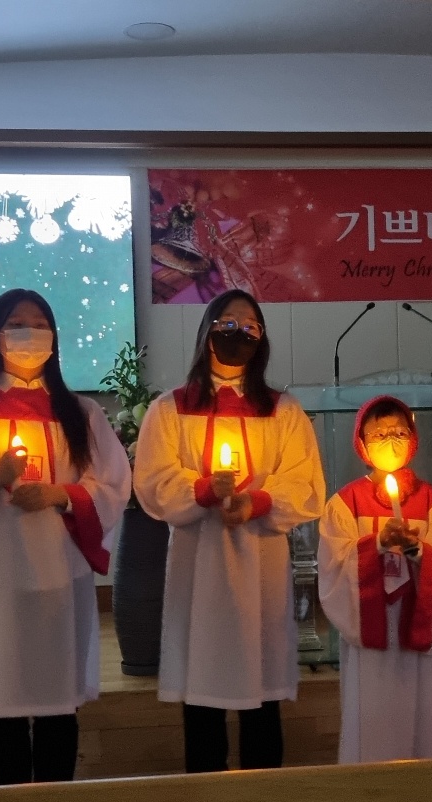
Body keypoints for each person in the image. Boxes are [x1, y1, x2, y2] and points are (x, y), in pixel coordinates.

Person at [0, 288, 130, 785]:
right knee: (2, 705)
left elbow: (113, 483)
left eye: (39, 324)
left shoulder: (79, 413)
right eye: (17, 324)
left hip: (59, 575)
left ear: (54, 338)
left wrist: (61, 494)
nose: (29, 333)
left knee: (59, 704)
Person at [132, 289, 326, 773]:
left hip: (260, 565)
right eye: (228, 322)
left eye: (250, 325)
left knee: (262, 694)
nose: (239, 332)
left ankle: (263, 794)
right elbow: (153, 481)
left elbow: (305, 482)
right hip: (199, 566)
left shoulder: (283, 411)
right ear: (207, 331)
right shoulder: (170, 409)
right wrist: (202, 491)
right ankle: (205, 798)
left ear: (262, 340)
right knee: (202, 694)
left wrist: (257, 501)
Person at [317, 396, 432, 763]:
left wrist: (416, 551)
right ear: (362, 443)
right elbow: (333, 565)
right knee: (369, 717)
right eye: (379, 434)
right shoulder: (345, 504)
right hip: (369, 628)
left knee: (416, 720)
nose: (390, 441)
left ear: (412, 438)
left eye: (398, 432)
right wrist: (377, 544)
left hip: (414, 623)